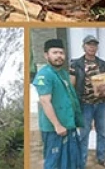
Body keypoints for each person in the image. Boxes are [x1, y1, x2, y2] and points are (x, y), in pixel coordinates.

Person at [33, 39, 84, 169]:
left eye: (61, 53)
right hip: (55, 129)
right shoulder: (44, 75)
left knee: (72, 161)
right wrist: (57, 125)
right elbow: (45, 101)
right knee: (55, 162)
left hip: (68, 125)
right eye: (54, 52)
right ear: (46, 55)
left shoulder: (63, 73)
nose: (59, 56)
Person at [70, 35, 105, 168]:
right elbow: (72, 85)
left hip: (100, 104)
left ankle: (101, 158)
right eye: (89, 45)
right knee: (84, 134)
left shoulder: (102, 63)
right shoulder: (75, 64)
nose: (92, 47)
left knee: (103, 132)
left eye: (94, 45)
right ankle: (81, 163)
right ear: (83, 46)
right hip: (85, 104)